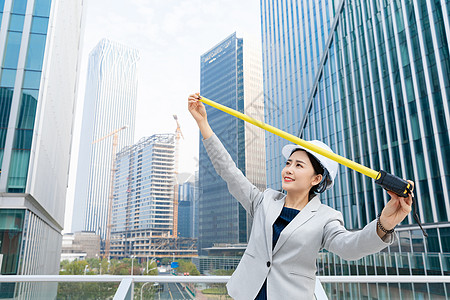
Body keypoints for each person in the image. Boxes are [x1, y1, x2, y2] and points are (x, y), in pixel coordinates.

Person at [188, 93, 413, 299]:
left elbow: (350, 247)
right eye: (288, 163)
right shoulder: (263, 200)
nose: (288, 169)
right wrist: (203, 123)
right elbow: (229, 171)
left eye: (298, 165)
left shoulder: (326, 218)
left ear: (316, 179)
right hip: (247, 293)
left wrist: (385, 224)